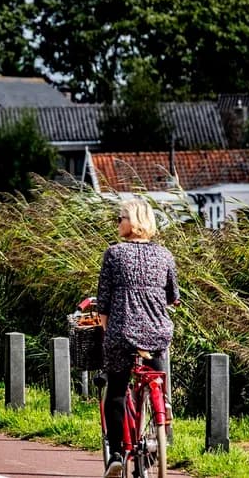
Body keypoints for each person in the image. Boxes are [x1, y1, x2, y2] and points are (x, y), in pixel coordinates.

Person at [97, 198, 179, 478]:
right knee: (157, 377)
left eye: (120, 218)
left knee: (116, 388)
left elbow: (104, 303)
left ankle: (117, 454)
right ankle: (160, 425)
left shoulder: (114, 253)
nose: (117, 223)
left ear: (133, 221)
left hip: (122, 332)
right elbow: (172, 298)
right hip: (157, 333)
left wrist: (108, 331)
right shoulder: (165, 255)